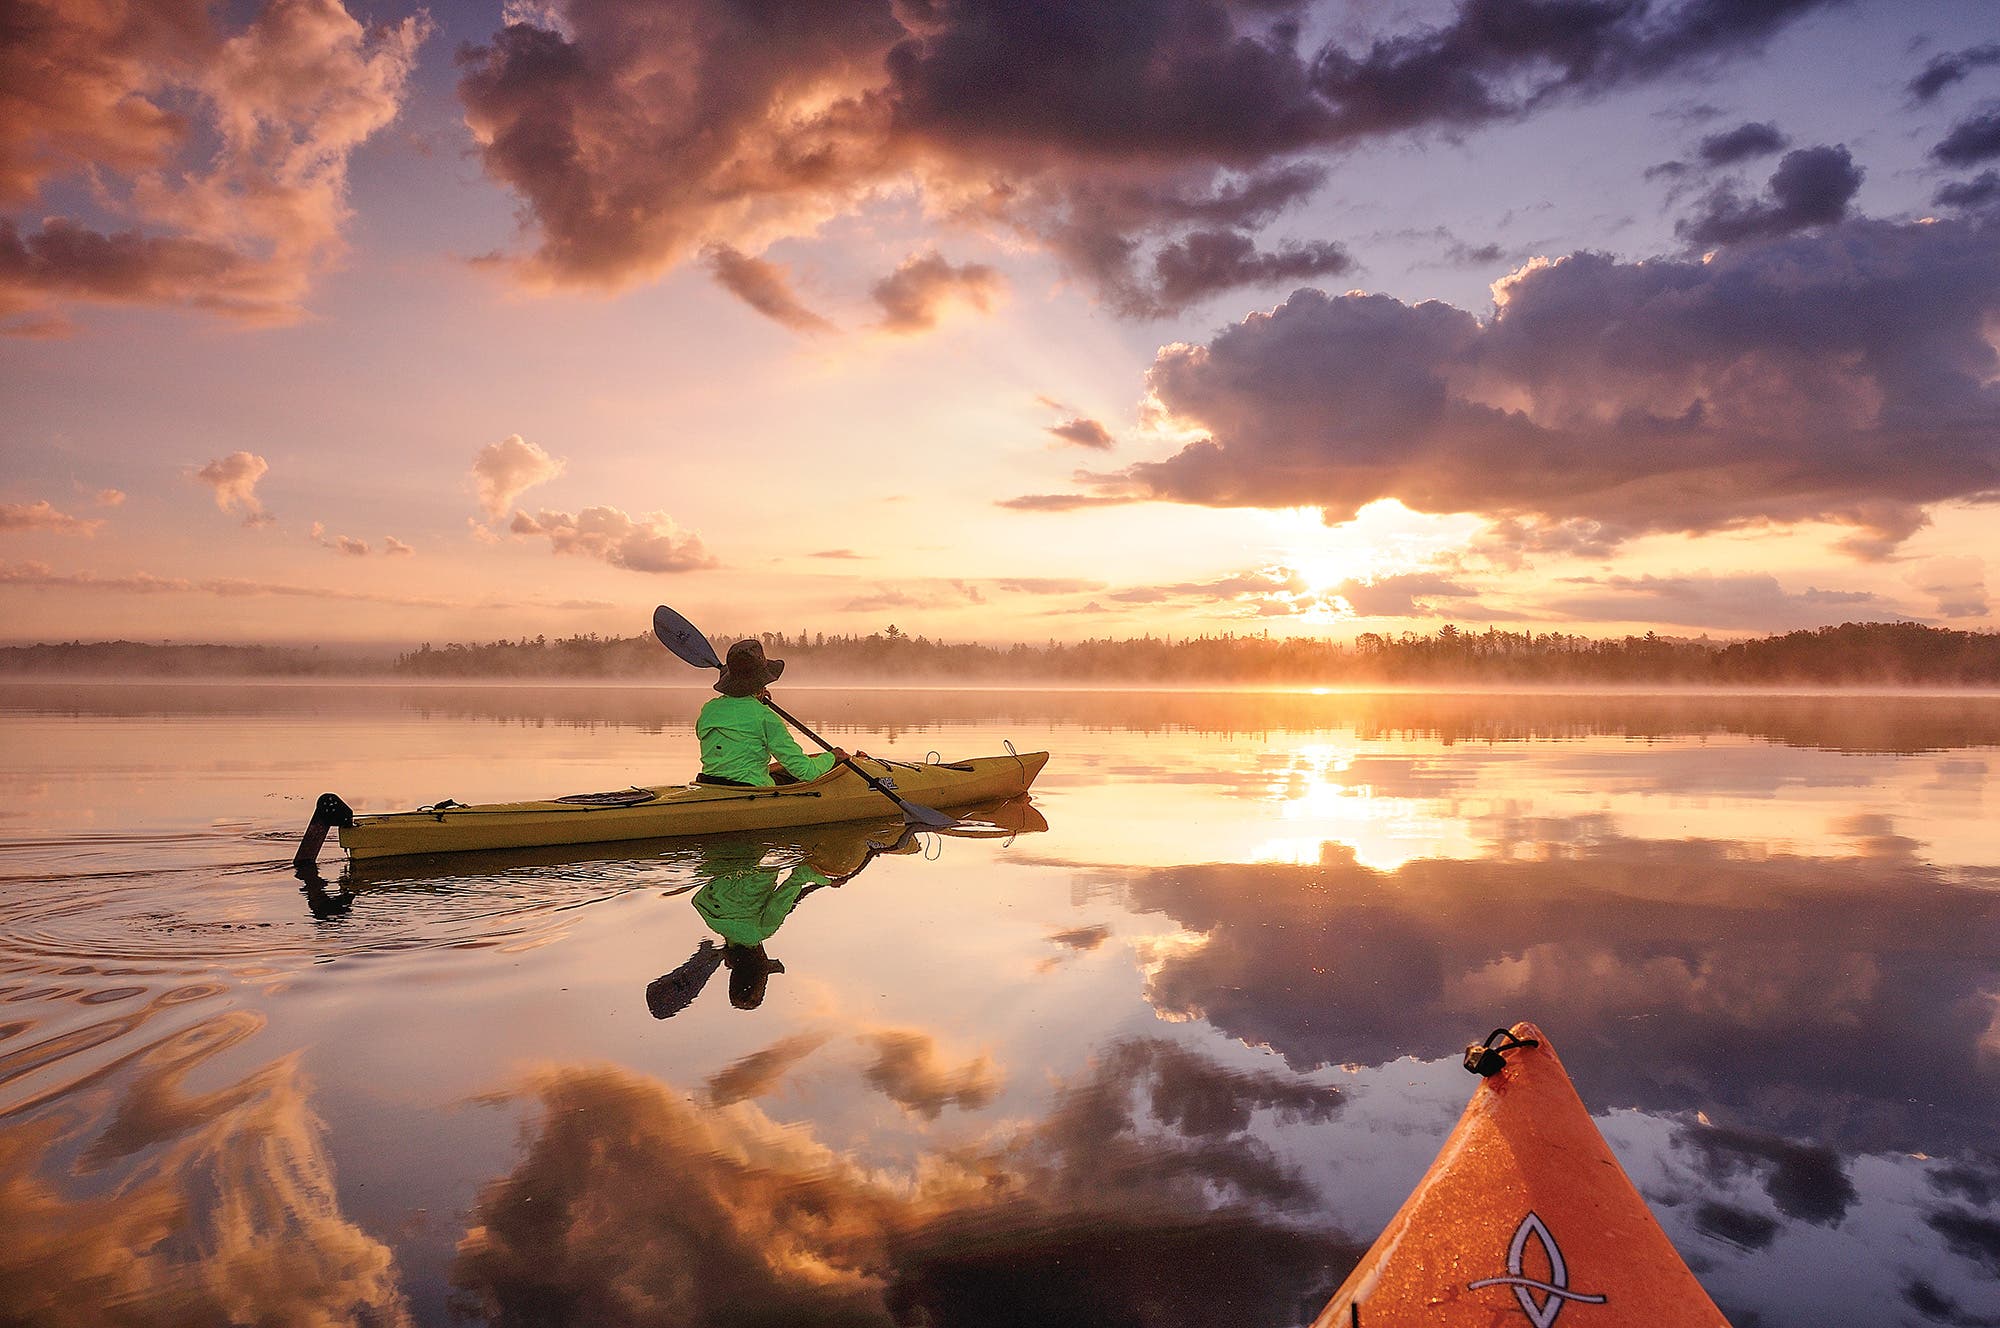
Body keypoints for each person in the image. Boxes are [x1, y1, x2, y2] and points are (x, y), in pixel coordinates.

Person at [694, 639, 863, 787]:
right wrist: (833, 757)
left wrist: (753, 699)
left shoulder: (708, 709)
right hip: (751, 787)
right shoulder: (765, 717)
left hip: (710, 783)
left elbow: (735, 732)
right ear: (761, 681)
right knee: (804, 772)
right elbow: (806, 772)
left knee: (781, 773)